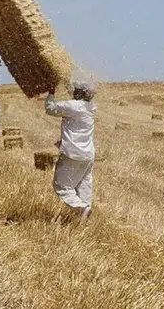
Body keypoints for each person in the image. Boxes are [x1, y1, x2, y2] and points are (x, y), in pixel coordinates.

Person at [44, 81, 98, 223]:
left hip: (73, 153)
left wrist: (51, 93)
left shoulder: (74, 106)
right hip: (88, 154)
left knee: (61, 185)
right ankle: (84, 216)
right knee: (84, 184)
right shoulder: (90, 107)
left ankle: (80, 207)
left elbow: (50, 108)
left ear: (77, 93)